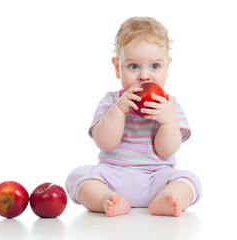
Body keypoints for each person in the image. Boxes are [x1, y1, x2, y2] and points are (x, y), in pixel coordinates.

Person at [65, 17, 202, 217]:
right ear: (117, 67)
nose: (144, 76)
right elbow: (104, 143)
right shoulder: (110, 101)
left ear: (167, 66)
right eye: (134, 66)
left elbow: (167, 151)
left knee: (189, 180)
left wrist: (168, 121)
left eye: (155, 66)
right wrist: (119, 111)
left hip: (156, 178)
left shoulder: (169, 105)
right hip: (112, 177)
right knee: (78, 176)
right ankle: (107, 199)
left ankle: (167, 198)